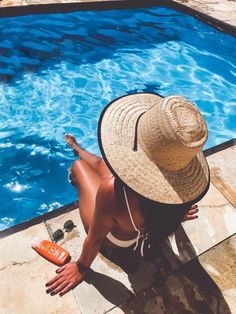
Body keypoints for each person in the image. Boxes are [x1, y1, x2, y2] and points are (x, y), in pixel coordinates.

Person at [45, 93, 210, 297]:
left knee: (79, 168)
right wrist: (177, 215)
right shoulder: (184, 192)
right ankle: (78, 148)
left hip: (118, 240)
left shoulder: (111, 192)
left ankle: (77, 155)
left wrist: (81, 268)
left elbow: (95, 238)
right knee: (100, 166)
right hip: (147, 226)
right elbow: (99, 164)